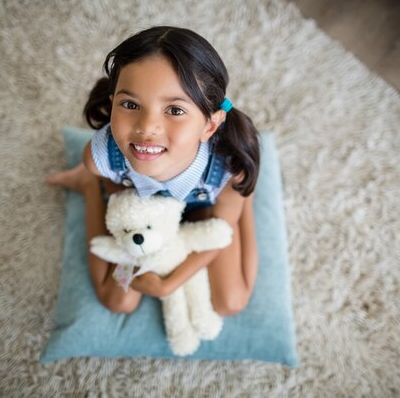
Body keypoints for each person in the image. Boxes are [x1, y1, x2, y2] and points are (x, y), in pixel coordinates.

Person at [46, 26, 259, 317]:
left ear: (210, 125)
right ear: (112, 106)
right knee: (117, 300)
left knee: (231, 302)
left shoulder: (228, 167)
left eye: (174, 110)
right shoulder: (102, 157)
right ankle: (86, 187)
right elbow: (119, 195)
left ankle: (244, 198)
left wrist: (169, 283)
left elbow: (218, 234)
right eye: (130, 104)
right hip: (140, 211)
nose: (146, 128)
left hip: (204, 213)